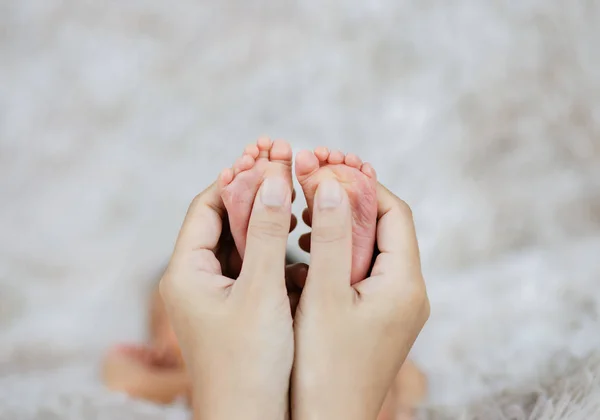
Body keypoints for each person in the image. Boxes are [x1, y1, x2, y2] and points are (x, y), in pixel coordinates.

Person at [103, 139, 430, 419]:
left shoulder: (188, 381)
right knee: (377, 387)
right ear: (154, 344)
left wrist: (210, 378)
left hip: (247, 391)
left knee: (384, 384)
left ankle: (315, 372)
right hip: (340, 386)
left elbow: (122, 381)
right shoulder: (179, 374)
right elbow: (119, 380)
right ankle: (346, 377)